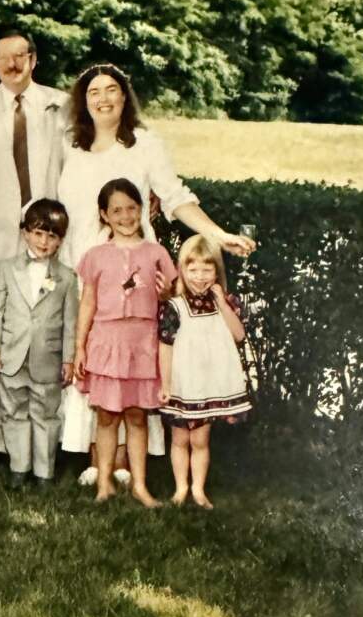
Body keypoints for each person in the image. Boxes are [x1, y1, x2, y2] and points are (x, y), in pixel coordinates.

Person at [56, 63, 255, 487]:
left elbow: (176, 197)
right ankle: (98, 461)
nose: (103, 98)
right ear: (83, 100)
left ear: (125, 97)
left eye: (112, 90)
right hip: (84, 268)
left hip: (134, 273)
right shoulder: (71, 146)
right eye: (94, 92)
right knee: (95, 357)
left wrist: (218, 234)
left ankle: (128, 462)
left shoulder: (144, 144)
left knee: (130, 360)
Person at [0, 31, 70, 457]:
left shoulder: (61, 106)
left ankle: (48, 437)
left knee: (45, 339)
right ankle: (1, 439)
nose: (12, 65)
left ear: (34, 60)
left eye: (20, 56)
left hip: (48, 243)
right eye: (3, 58)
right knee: (0, 343)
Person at [74, 179, 178, 507]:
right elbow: (87, 302)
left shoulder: (156, 253)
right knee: (106, 415)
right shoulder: (95, 256)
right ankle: (104, 482)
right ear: (104, 215)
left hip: (142, 343)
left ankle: (140, 486)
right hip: (106, 342)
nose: (125, 216)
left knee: (136, 415)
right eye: (116, 210)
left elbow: (172, 297)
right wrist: (79, 346)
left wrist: (165, 294)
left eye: (131, 208)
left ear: (141, 210)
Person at [0, 199, 78, 489]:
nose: (44, 242)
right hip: (12, 355)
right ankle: (18, 466)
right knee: (13, 411)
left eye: (52, 236)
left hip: (47, 357)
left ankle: (44, 472)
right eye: (38, 233)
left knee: (45, 414)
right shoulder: (7, 269)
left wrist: (68, 359)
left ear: (61, 241)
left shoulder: (66, 278)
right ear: (25, 233)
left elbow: (71, 322)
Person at [159, 234, 252, 509]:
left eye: (206, 269)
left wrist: (222, 303)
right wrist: (166, 384)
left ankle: (198, 490)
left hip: (209, 384)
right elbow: (165, 346)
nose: (199, 276)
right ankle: (180, 488)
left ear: (216, 271)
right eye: (193, 269)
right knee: (179, 439)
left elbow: (238, 335)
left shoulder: (222, 302)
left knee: (200, 439)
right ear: (182, 270)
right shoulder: (174, 306)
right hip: (183, 382)